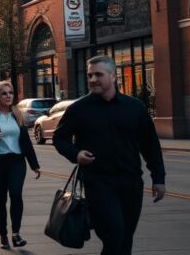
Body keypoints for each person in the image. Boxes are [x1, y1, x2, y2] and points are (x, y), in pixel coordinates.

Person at [54, 55, 166, 255]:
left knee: (125, 238)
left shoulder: (134, 107)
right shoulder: (78, 109)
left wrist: (158, 178)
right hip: (98, 183)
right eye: (90, 75)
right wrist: (76, 153)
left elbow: (150, 145)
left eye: (98, 74)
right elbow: (59, 138)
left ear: (113, 76)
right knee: (114, 233)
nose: (93, 79)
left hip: (131, 182)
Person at [0, 81, 41, 250]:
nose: (8, 96)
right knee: (0, 199)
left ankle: (16, 234)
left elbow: (26, 142)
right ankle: (3, 234)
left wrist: (34, 164)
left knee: (16, 194)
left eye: (10, 93)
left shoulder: (17, 114)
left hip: (17, 161)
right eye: (4, 93)